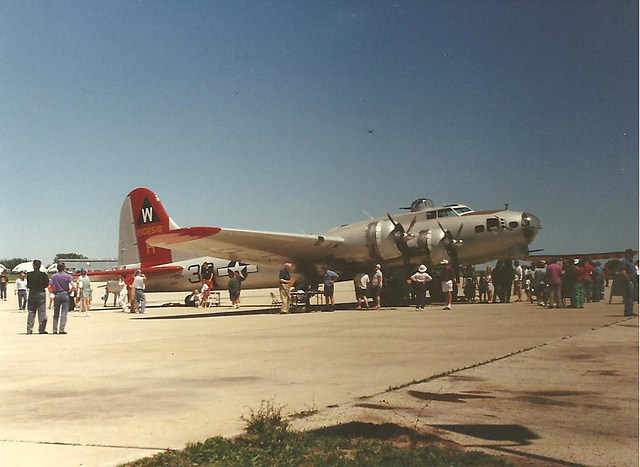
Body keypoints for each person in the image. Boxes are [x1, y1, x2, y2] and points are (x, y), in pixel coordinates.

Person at [26, 260, 50, 334]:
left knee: (31, 311)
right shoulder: (43, 275)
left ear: (33, 265)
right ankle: (41, 328)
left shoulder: (29, 274)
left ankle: (29, 329)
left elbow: (28, 284)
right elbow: (47, 284)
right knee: (41, 311)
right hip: (41, 292)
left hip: (32, 292)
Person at [49, 263, 73, 334]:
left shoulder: (54, 276)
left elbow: (49, 286)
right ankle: (61, 329)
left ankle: (54, 329)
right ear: (64, 268)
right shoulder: (68, 276)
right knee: (64, 313)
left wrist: (52, 292)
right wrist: (69, 292)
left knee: (56, 313)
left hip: (57, 294)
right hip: (65, 293)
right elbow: (73, 286)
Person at [620, 249, 637, 316]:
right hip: (628, 281)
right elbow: (623, 271)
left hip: (633, 280)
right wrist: (628, 280)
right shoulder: (625, 261)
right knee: (629, 296)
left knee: (632, 296)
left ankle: (630, 310)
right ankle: (627, 311)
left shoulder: (631, 262)